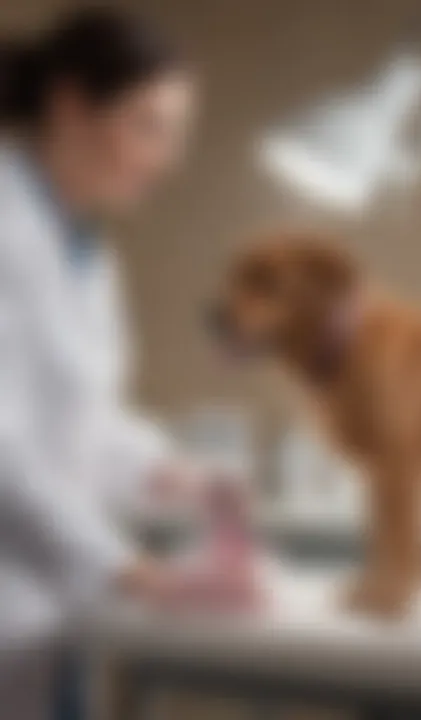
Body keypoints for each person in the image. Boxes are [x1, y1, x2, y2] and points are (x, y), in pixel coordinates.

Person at [0, 7, 236, 718]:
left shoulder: (87, 249)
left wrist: (162, 470)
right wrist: (120, 564)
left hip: (48, 612)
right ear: (70, 106)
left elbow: (82, 425)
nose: (168, 159)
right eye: (150, 126)